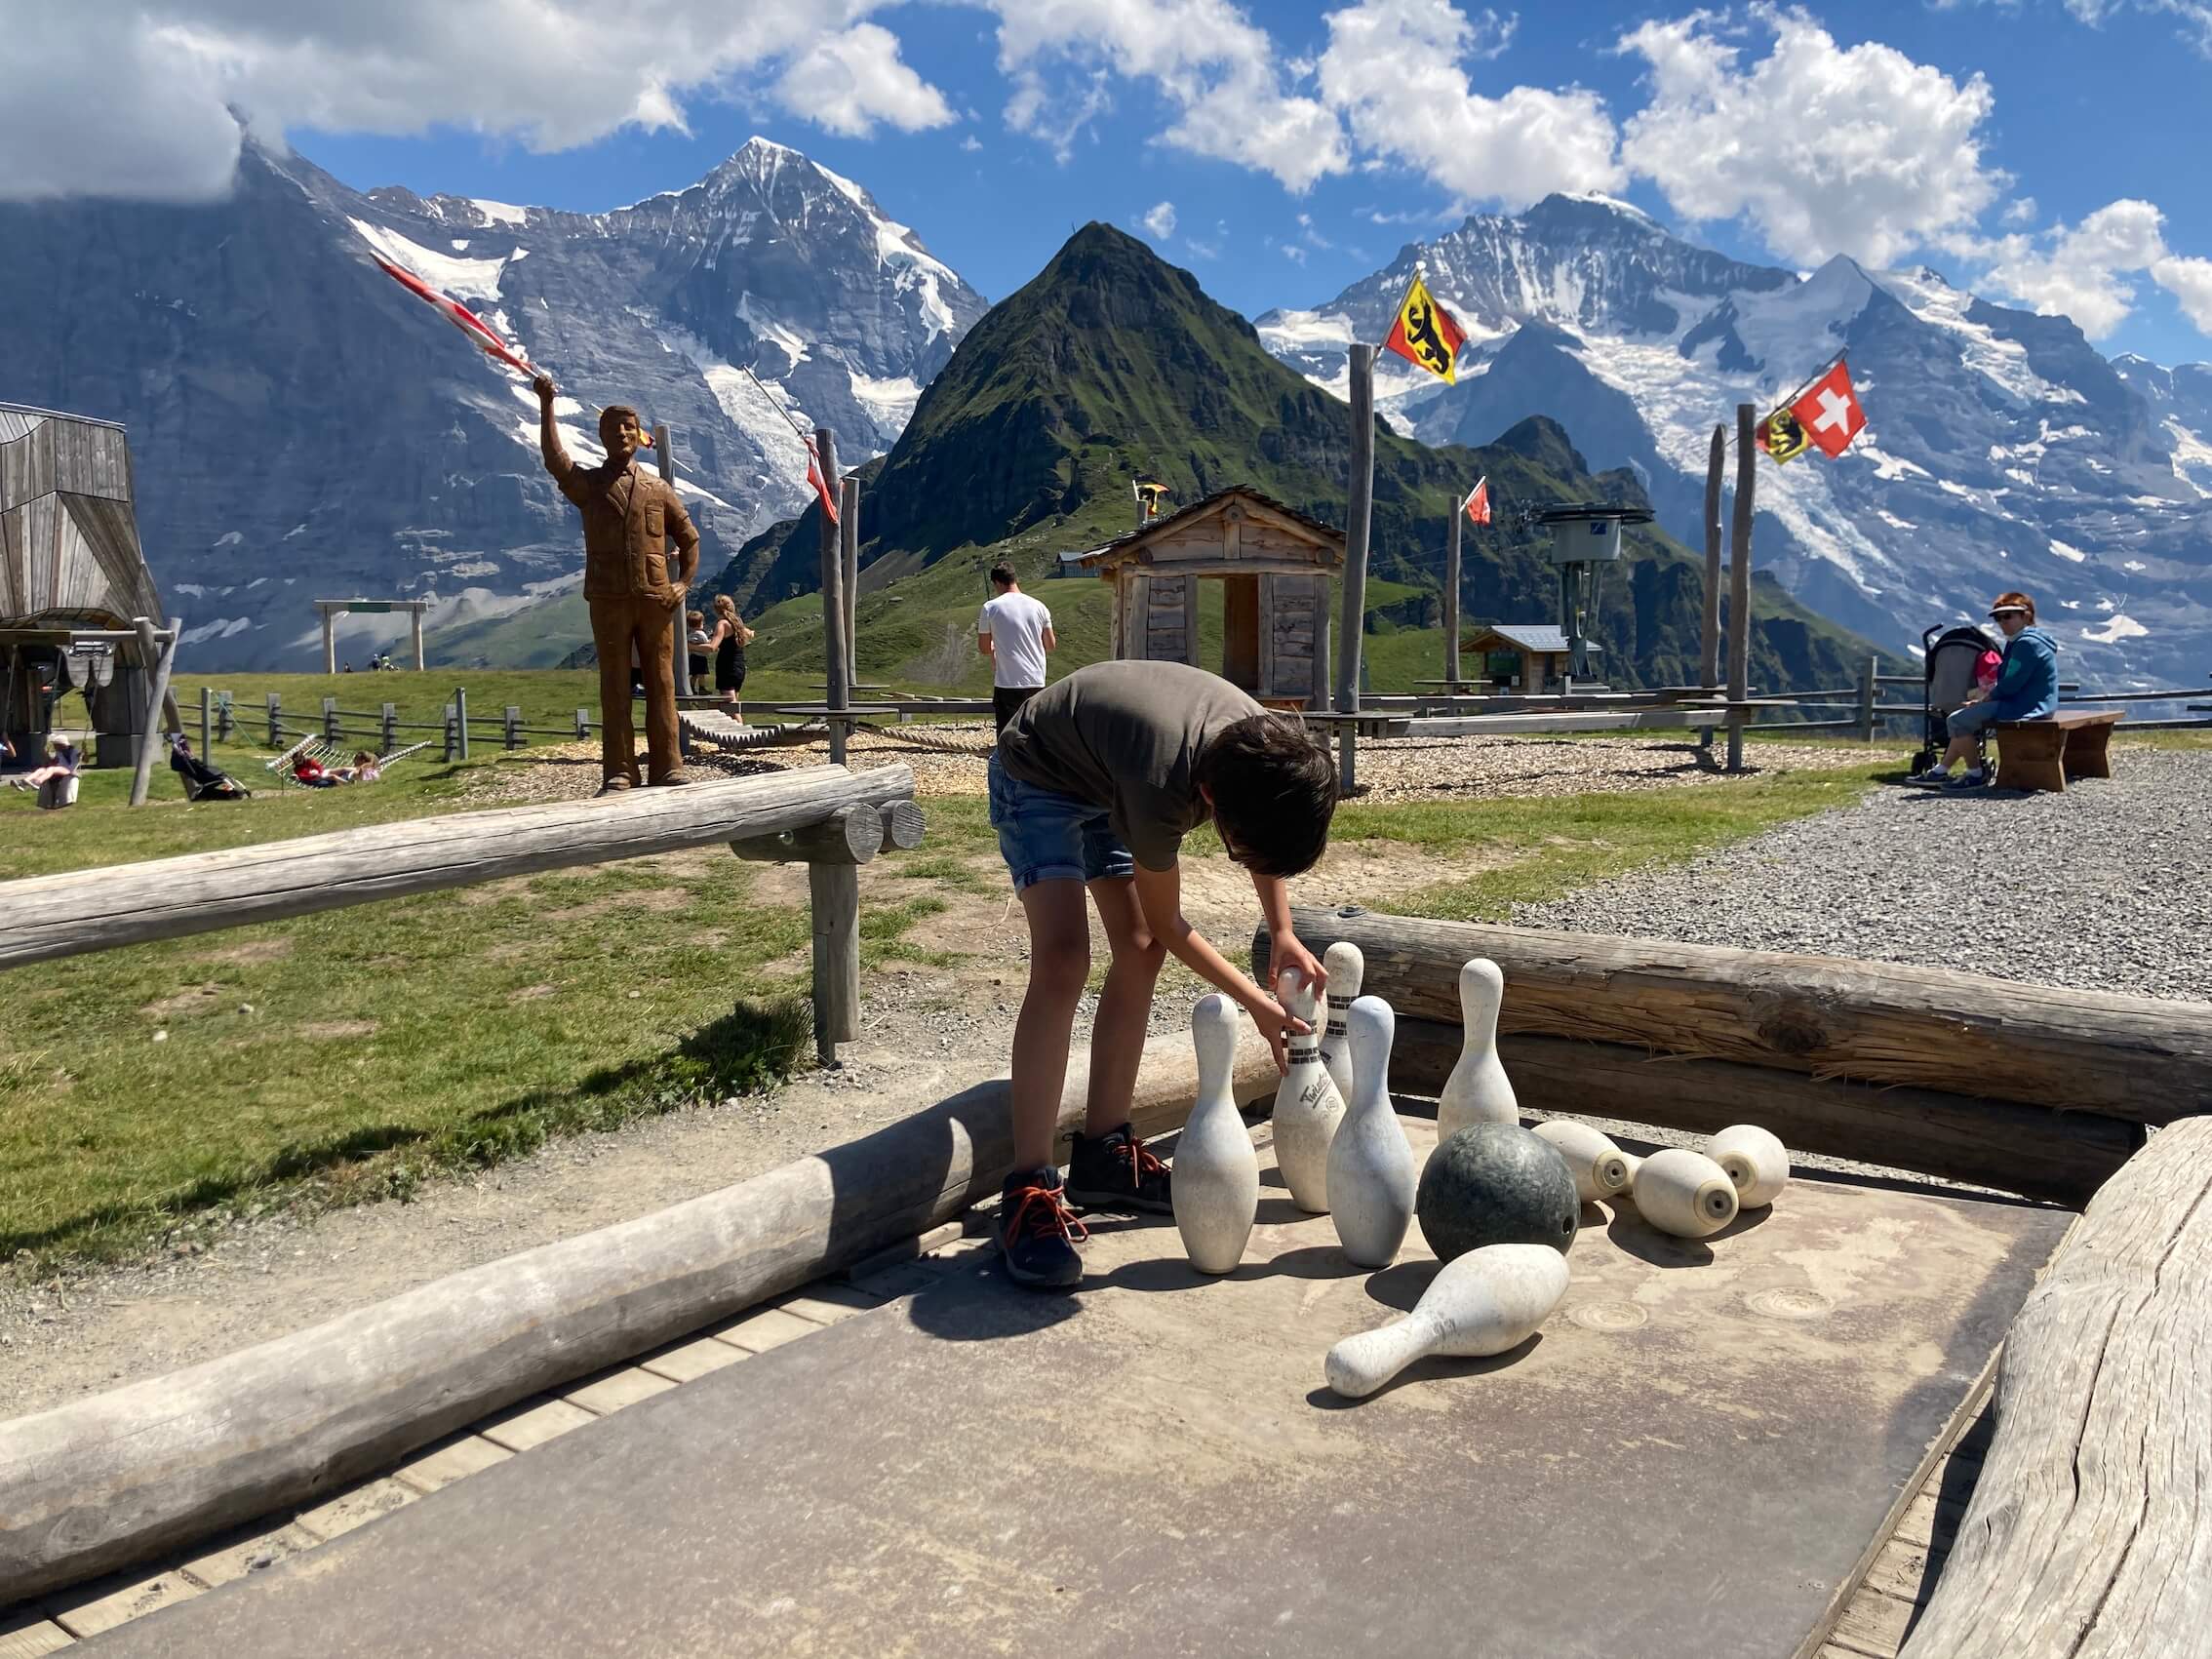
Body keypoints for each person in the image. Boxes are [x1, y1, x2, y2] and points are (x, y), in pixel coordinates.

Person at [988, 659, 1338, 1289]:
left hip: (1102, 771)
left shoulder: (1261, 746)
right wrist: (1257, 1003)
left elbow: (1263, 828)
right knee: (1066, 958)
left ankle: (1103, 1156)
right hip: (1037, 770)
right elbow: (1173, 921)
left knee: (1138, 947)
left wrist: (1282, 928)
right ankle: (1029, 1189)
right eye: (1237, 847)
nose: (1243, 858)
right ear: (1209, 802)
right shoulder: (1164, 782)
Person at [533, 371, 699, 794]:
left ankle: (668, 766)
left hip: (655, 599)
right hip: (608, 598)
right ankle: (620, 770)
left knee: (663, 684)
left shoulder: (657, 488)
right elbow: (556, 461)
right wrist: (547, 404)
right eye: (613, 428)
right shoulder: (590, 486)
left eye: (628, 427)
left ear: (639, 434)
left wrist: (683, 585)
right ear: (602, 436)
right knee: (614, 687)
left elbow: (689, 538)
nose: (622, 433)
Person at [1916, 591, 2059, 788]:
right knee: (1961, 720)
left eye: (2008, 616)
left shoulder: (2026, 644)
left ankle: (1975, 774)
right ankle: (1941, 770)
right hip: (2034, 703)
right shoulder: (2030, 640)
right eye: (1998, 617)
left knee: (1956, 720)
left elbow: (2011, 684)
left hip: (2024, 707)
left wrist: (1986, 699)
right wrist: (1987, 699)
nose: (2002, 622)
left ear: (2026, 615)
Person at [977, 561, 1055, 733]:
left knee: (1007, 734)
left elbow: (983, 648)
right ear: (1014, 579)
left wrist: (993, 647)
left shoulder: (990, 608)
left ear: (997, 582)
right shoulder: (1039, 606)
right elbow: (1050, 645)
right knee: (1033, 732)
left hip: (1007, 682)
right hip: (1036, 680)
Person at [708, 594, 755, 720]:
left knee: (731, 707)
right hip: (739, 666)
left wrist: (689, 646)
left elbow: (713, 647)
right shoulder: (737, 622)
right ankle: (731, 734)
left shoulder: (722, 624)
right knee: (730, 704)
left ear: (716, 609)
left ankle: (742, 736)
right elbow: (749, 633)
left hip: (727, 667)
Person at [170, 735, 248, 801]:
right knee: (196, 764)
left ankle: (184, 752)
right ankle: (184, 752)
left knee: (197, 765)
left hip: (208, 776)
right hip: (207, 775)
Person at [686, 611, 711, 688]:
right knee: (701, 674)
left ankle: (691, 686)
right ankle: (702, 687)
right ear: (700, 624)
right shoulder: (701, 634)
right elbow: (706, 642)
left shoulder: (689, 635)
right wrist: (711, 641)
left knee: (694, 674)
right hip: (701, 657)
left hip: (692, 657)